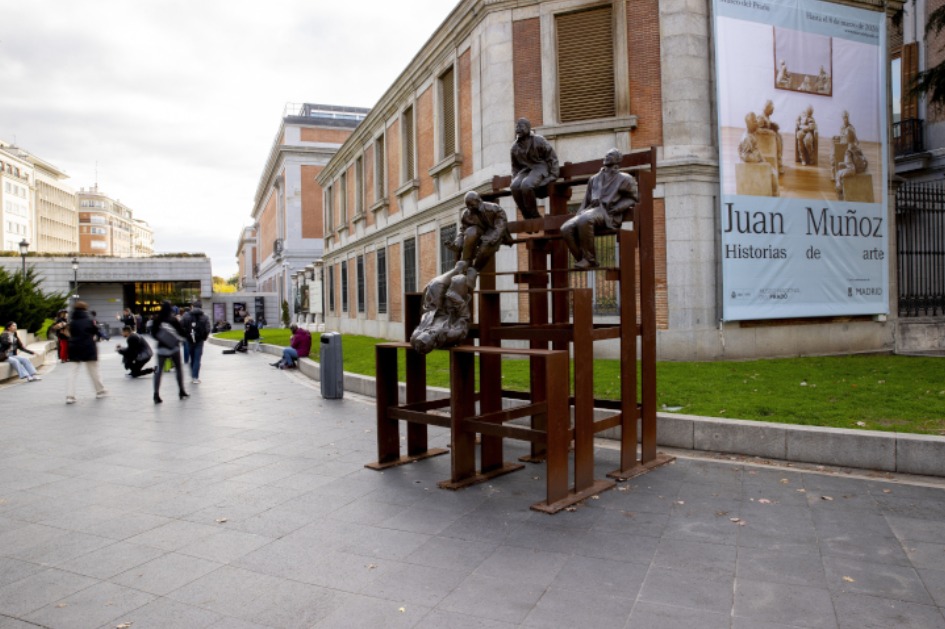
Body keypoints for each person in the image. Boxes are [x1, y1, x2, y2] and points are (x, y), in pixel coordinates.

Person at [561, 148, 639, 269]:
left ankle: (589, 259)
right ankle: (582, 259)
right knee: (566, 228)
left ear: (618, 159)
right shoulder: (594, 179)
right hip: (591, 211)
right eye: (607, 155)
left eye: (611, 155)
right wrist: (578, 215)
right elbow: (586, 200)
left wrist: (617, 208)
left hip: (607, 213)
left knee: (585, 219)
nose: (607, 156)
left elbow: (633, 198)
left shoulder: (625, 178)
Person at [446, 191, 514, 272]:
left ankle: (474, 269)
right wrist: (457, 244)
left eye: (472, 205)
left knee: (485, 246)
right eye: (468, 206)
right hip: (480, 236)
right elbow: (463, 231)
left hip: (495, 235)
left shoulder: (495, 209)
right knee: (470, 231)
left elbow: (500, 227)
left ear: (479, 201)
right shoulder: (466, 214)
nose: (470, 208)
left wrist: (490, 238)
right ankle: (465, 263)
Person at [510, 117, 559, 219]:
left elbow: (551, 157)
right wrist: (515, 178)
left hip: (540, 167)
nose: (518, 129)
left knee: (526, 184)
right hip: (525, 171)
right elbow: (515, 168)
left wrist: (553, 175)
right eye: (516, 127)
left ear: (528, 128)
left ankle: (535, 215)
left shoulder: (539, 140)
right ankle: (526, 215)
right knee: (514, 186)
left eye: (521, 126)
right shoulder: (514, 147)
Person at [66, 301, 107, 404]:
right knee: (94, 370)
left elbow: (69, 333)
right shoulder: (89, 321)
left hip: (75, 347)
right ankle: (100, 391)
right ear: (85, 309)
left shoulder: (72, 322)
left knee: (72, 372)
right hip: (88, 347)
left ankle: (70, 396)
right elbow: (96, 331)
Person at [151, 300, 188, 404]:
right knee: (178, 368)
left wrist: (162, 338)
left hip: (161, 348)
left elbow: (153, 334)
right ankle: (181, 390)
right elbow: (181, 332)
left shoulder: (157, 319)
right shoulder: (173, 319)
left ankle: (156, 393)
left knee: (158, 370)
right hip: (174, 348)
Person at [181, 301, 211, 383]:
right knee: (197, 358)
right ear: (201, 307)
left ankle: (193, 375)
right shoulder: (205, 317)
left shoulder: (186, 316)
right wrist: (204, 337)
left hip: (189, 339)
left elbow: (181, 326)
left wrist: (185, 335)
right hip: (199, 340)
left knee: (192, 357)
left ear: (192, 307)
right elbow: (207, 329)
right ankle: (195, 377)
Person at [757, 100, 783, 175]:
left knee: (779, 138)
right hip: (765, 140)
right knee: (778, 141)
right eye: (771, 110)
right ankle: (779, 164)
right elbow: (758, 130)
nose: (772, 112)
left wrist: (772, 125)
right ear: (767, 109)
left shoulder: (766, 117)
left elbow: (767, 125)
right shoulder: (761, 117)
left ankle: (779, 163)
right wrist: (768, 131)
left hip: (770, 138)